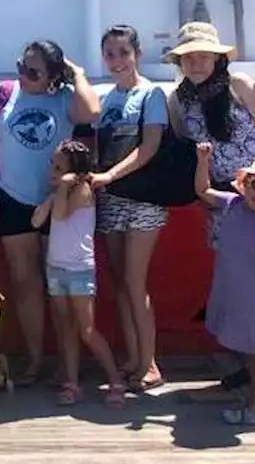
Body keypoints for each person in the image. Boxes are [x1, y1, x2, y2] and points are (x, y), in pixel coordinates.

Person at [164, 22, 255, 400]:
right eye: (189, 57)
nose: (196, 62)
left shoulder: (241, 87)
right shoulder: (179, 101)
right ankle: (249, 364)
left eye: (204, 54)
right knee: (236, 286)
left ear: (219, 58)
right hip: (222, 201)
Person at [0, 40, 100, 385]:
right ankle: (34, 359)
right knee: (25, 283)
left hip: (58, 200)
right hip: (12, 198)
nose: (23, 75)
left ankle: (66, 364)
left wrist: (78, 74)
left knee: (59, 285)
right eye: (21, 66)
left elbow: (91, 113)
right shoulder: (3, 94)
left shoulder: (64, 100)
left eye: (33, 71)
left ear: (53, 76)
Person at [88, 25, 169, 391]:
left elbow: (149, 147)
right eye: (110, 54)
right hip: (111, 201)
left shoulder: (150, 93)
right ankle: (134, 357)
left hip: (143, 199)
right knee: (121, 284)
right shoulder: (105, 99)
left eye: (123, 52)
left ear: (137, 53)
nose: (117, 60)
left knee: (136, 283)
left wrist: (109, 176)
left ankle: (150, 363)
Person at [194, 144, 255, 427]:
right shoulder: (232, 203)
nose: (254, 191)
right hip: (234, 289)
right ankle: (254, 400)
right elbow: (203, 191)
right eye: (252, 182)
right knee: (250, 352)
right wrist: (203, 161)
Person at [32, 140, 124, 408]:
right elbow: (37, 221)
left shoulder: (83, 191)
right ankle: (71, 383)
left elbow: (59, 216)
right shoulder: (58, 192)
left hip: (78, 269)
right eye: (53, 164)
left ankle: (115, 379)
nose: (52, 170)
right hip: (56, 267)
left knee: (86, 329)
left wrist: (58, 192)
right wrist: (52, 196)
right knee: (66, 329)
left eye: (59, 167)